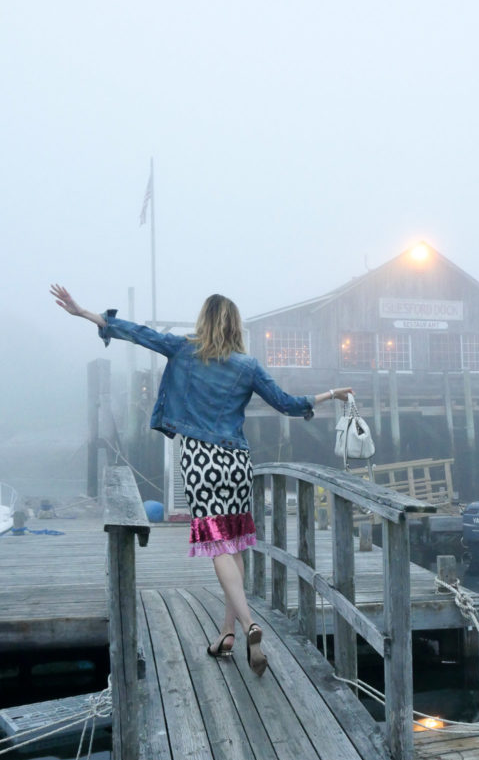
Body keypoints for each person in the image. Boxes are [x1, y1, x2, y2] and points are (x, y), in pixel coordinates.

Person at [51, 284, 353, 676]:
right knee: (235, 543)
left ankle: (248, 625)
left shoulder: (184, 350)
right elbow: (287, 404)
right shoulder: (248, 366)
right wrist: (331, 394)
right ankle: (227, 633)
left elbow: (139, 333)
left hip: (201, 459)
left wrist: (88, 314)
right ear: (235, 325)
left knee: (217, 545)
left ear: (204, 322)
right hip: (237, 460)